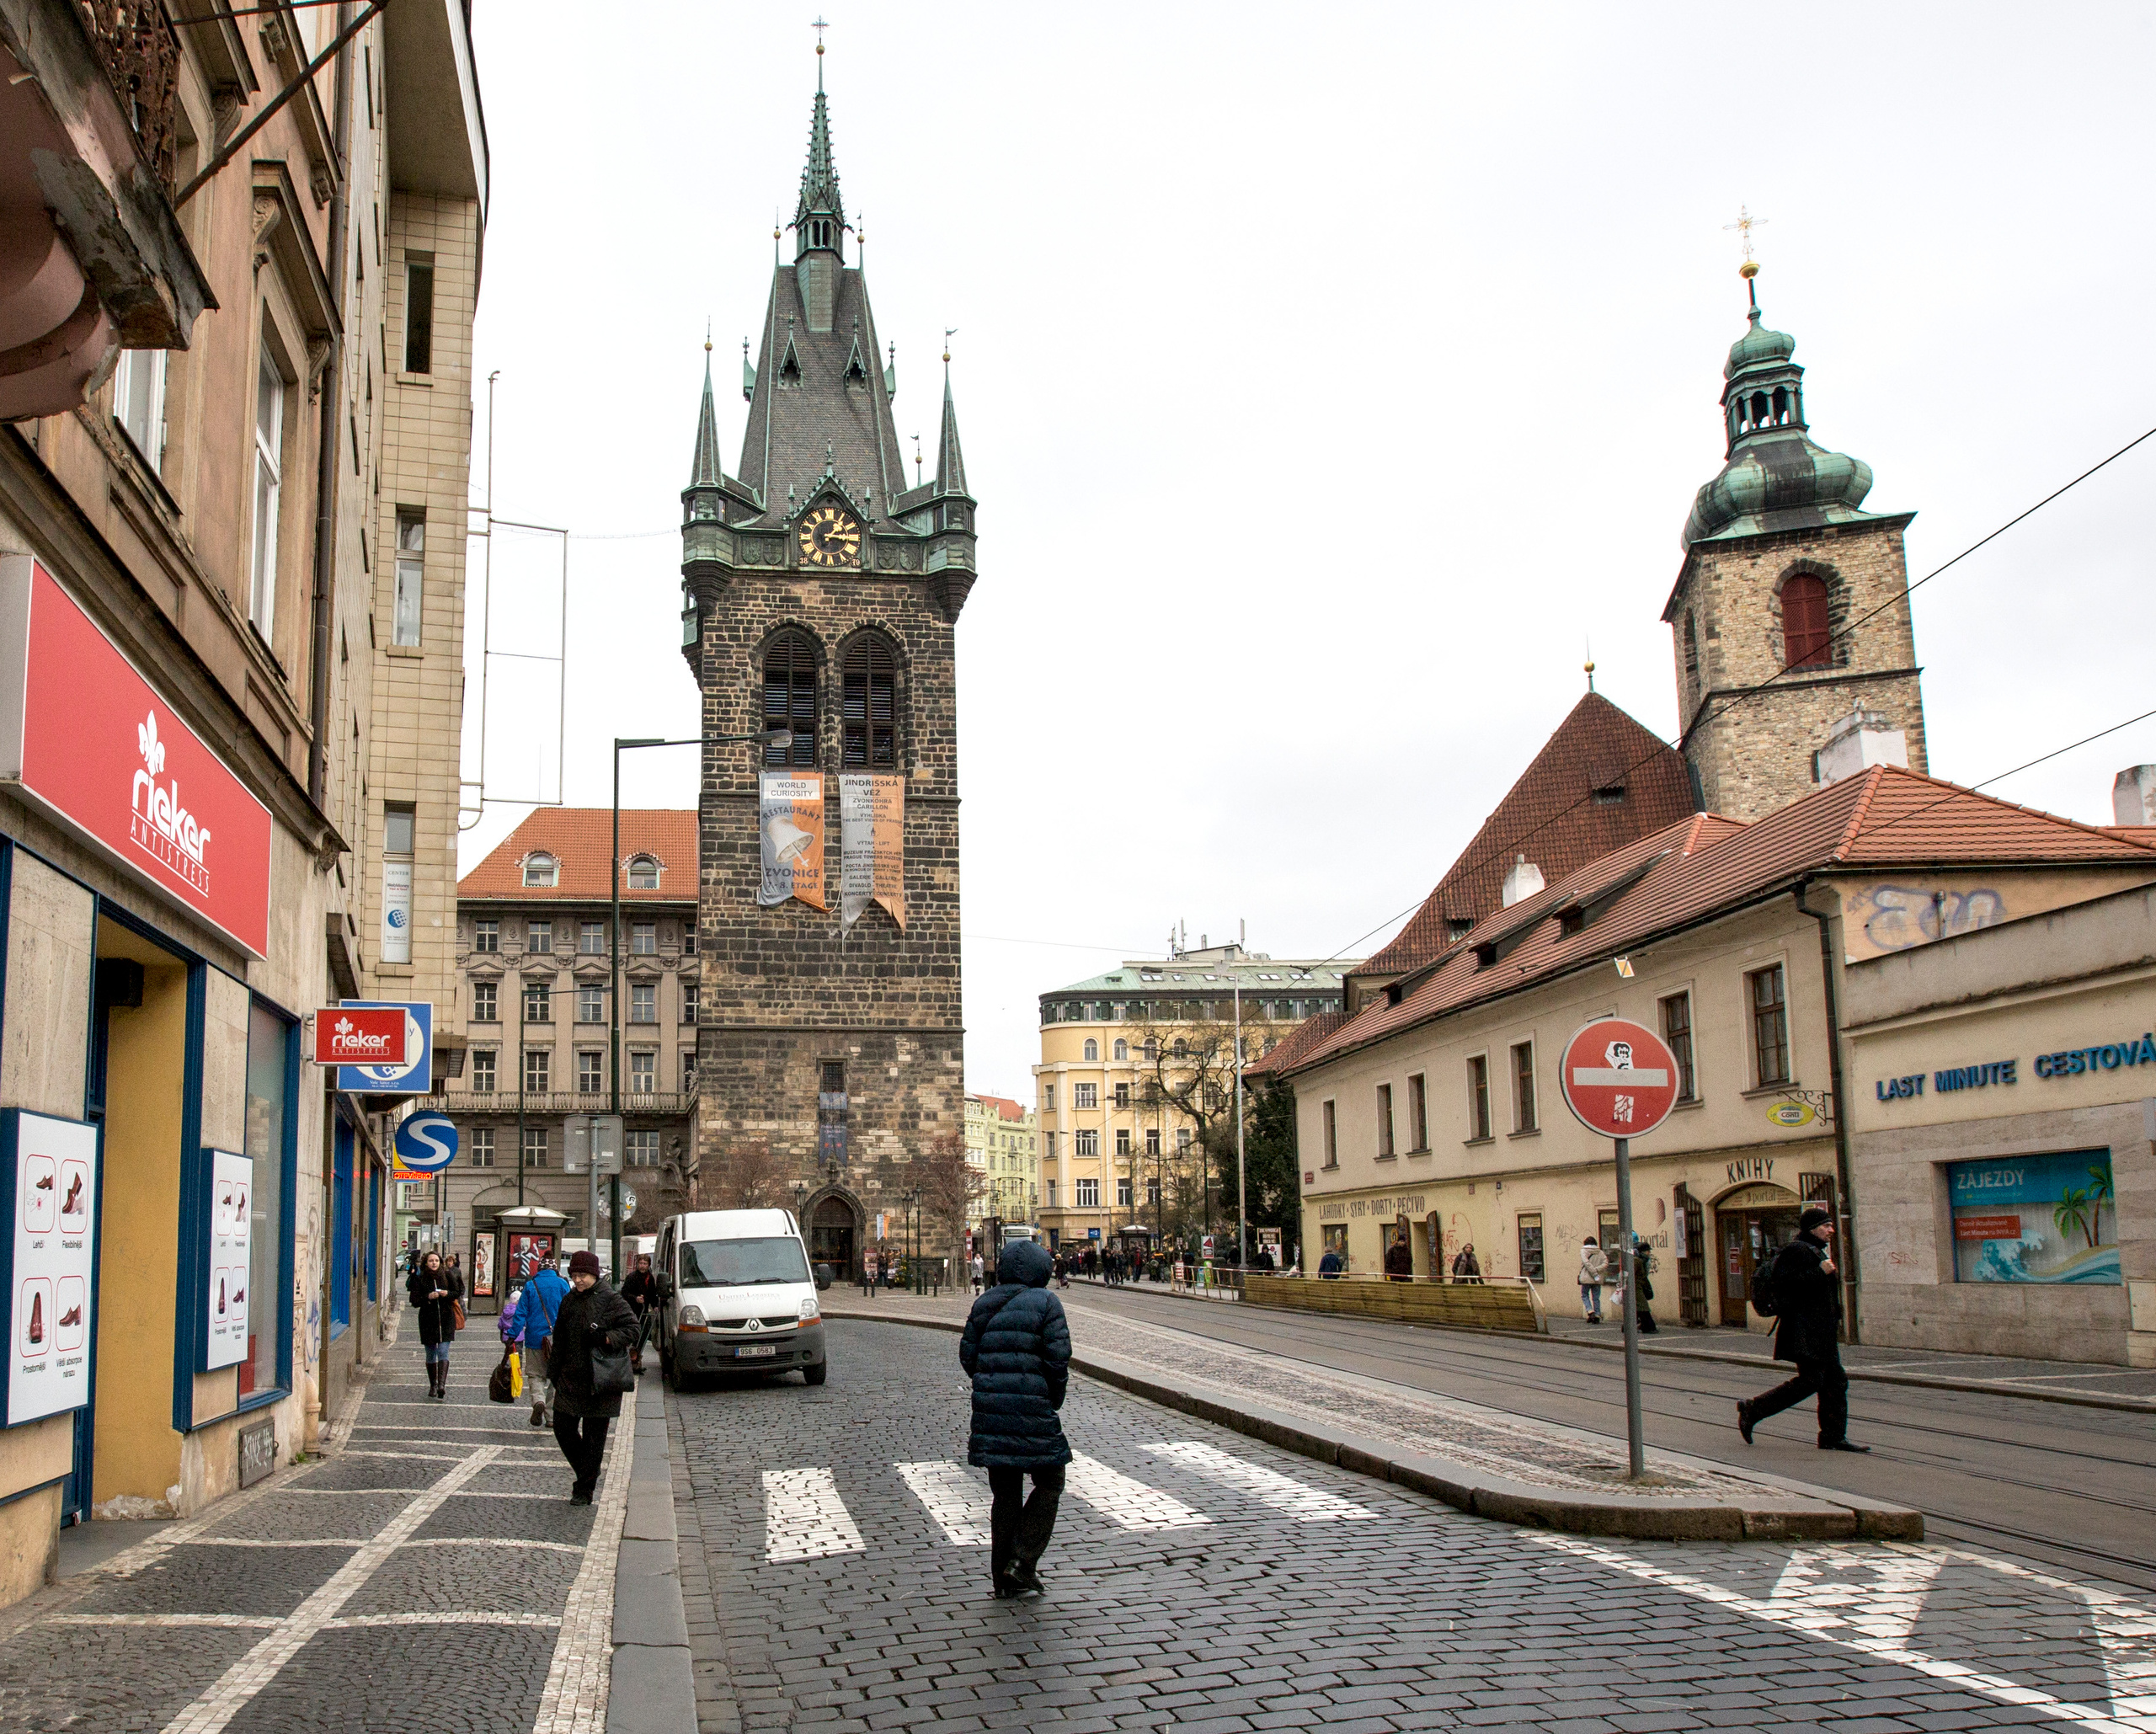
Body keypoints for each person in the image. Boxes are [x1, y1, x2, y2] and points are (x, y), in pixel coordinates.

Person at [958, 1240, 1071, 1598]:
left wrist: (990, 1381)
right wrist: (1053, 1398)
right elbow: (1058, 1359)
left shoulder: (984, 1303)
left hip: (992, 1413)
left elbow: (968, 1356)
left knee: (1005, 1493)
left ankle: (1002, 1579)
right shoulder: (1047, 1302)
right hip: (1034, 1409)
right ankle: (1022, 1561)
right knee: (1051, 1480)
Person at [1737, 1207, 1869, 1453]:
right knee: (1812, 1381)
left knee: (1834, 1382)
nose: (1831, 1230)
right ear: (1812, 1228)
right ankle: (1753, 1409)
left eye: (1831, 1225)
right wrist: (1820, 1272)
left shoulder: (1814, 1251)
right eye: (1826, 1226)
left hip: (1820, 1332)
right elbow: (1786, 1284)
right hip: (1804, 1332)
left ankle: (1833, 1437)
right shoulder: (1797, 1250)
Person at [547, 1250, 641, 1504]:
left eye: (583, 1276)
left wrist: (606, 1338)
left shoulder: (612, 1299)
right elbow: (560, 1339)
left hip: (601, 1379)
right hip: (570, 1377)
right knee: (562, 1428)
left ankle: (584, 1489)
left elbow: (633, 1328)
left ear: (594, 1274)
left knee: (593, 1438)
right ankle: (589, 1470)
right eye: (574, 1275)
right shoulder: (569, 1300)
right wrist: (553, 1372)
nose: (578, 1280)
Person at [510, 1255, 572, 1429]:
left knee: (535, 1374)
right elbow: (570, 1311)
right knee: (556, 1378)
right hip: (558, 1340)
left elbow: (520, 1313)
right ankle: (551, 1417)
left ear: (539, 1269)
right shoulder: (563, 1285)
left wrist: (512, 1335)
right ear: (554, 1269)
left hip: (535, 1339)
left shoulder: (531, 1286)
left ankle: (538, 1400)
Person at [406, 1250, 461, 1399]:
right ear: (426, 1263)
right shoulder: (420, 1278)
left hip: (446, 1320)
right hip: (428, 1320)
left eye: (436, 1261)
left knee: (443, 1351)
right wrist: (428, 1297)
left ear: (440, 1262)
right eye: (431, 1261)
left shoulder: (448, 1275)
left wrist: (447, 1294)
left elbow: (457, 1292)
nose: (434, 1263)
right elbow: (414, 1301)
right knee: (431, 1353)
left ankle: (442, 1385)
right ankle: (433, 1385)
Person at [619, 1253, 659, 1376]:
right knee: (634, 1338)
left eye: (645, 1264)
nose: (642, 1266)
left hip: (645, 1312)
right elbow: (624, 1292)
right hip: (633, 1312)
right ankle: (630, 1362)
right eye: (641, 1263)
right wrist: (635, 1298)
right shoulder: (632, 1277)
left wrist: (655, 1305)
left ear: (648, 1265)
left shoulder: (650, 1278)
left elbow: (652, 1294)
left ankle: (637, 1361)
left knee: (643, 1338)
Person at [1577, 1237, 1607, 1322]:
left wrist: (1593, 1272)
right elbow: (1605, 1263)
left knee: (1584, 1294)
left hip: (1586, 1277)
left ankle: (1590, 1311)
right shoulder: (1600, 1252)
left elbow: (1586, 1263)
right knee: (1596, 1297)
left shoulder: (1583, 1251)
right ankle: (1597, 1314)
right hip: (1597, 1278)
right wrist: (1597, 1270)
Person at [1631, 1243, 1658, 1334]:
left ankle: (1644, 1326)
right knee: (1643, 1308)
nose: (1649, 1253)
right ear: (1642, 1252)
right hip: (1636, 1288)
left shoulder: (1643, 1261)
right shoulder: (1637, 1261)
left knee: (1640, 1308)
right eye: (1647, 1251)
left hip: (1640, 1287)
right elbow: (1632, 1275)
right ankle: (1648, 1327)